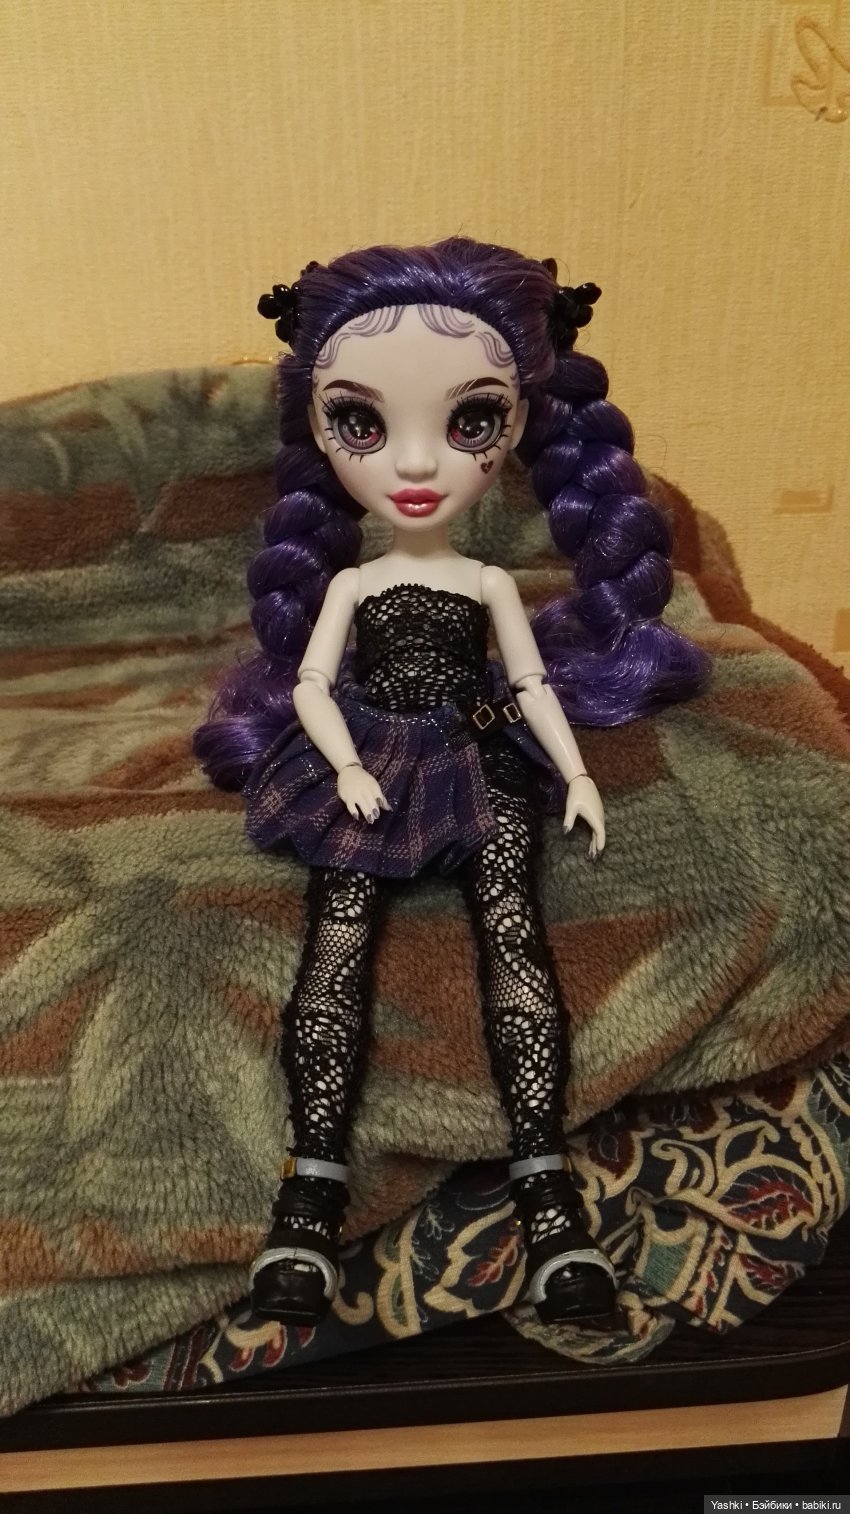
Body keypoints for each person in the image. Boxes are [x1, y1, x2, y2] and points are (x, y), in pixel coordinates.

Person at [193, 237, 709, 1329]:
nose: (417, 464)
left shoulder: (487, 581)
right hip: (371, 759)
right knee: (336, 941)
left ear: (519, 424)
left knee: (512, 935)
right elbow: (313, 684)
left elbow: (526, 680)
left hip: (477, 757)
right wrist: (342, 763)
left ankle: (548, 1200)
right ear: (318, 426)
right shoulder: (353, 584)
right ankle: (307, 1198)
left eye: (471, 421)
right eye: (362, 423)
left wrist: (575, 769)